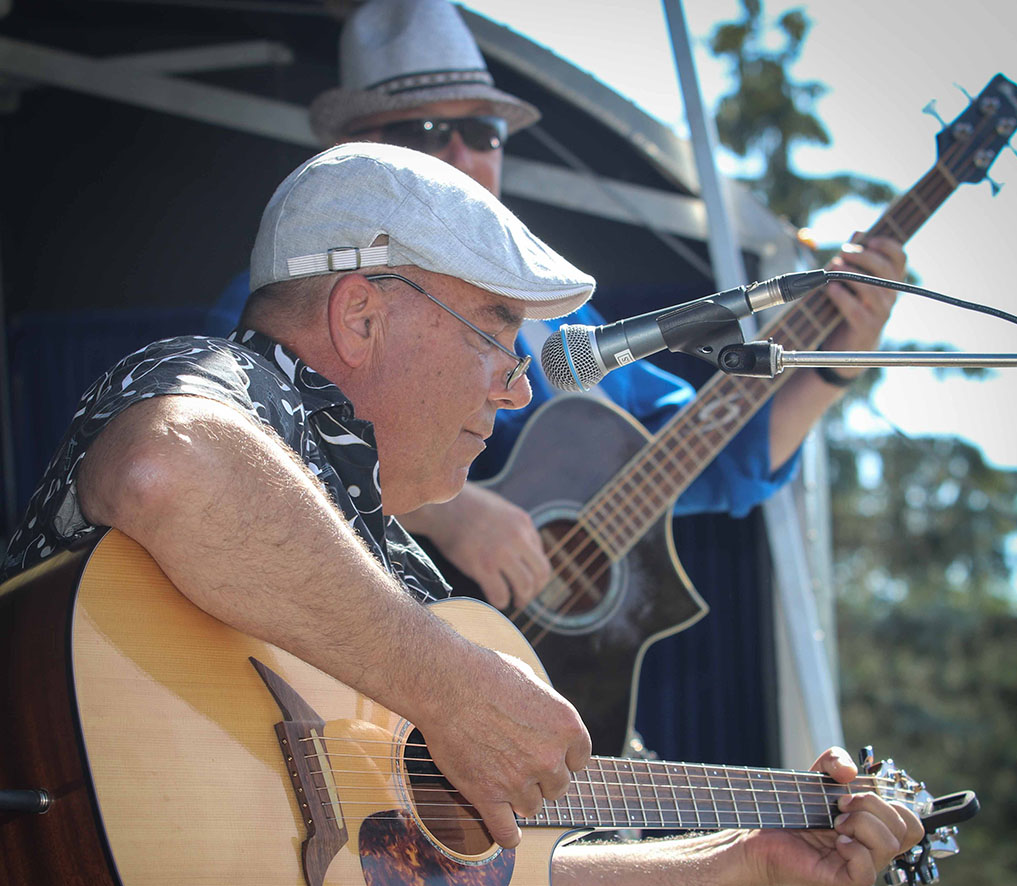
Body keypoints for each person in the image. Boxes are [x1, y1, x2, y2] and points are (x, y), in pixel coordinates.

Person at [1, 142, 922, 886]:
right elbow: (167, 466)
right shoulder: (229, 387)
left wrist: (753, 854)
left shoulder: (403, 572)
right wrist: (451, 685)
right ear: (361, 316)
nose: (519, 382)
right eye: (496, 332)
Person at [289, 0, 907, 614]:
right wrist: (448, 514)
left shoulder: (565, 324)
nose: (460, 154)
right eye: (421, 131)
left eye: (483, 133)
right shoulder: (299, 289)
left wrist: (835, 365)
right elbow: (256, 440)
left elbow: (716, 461)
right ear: (354, 149)